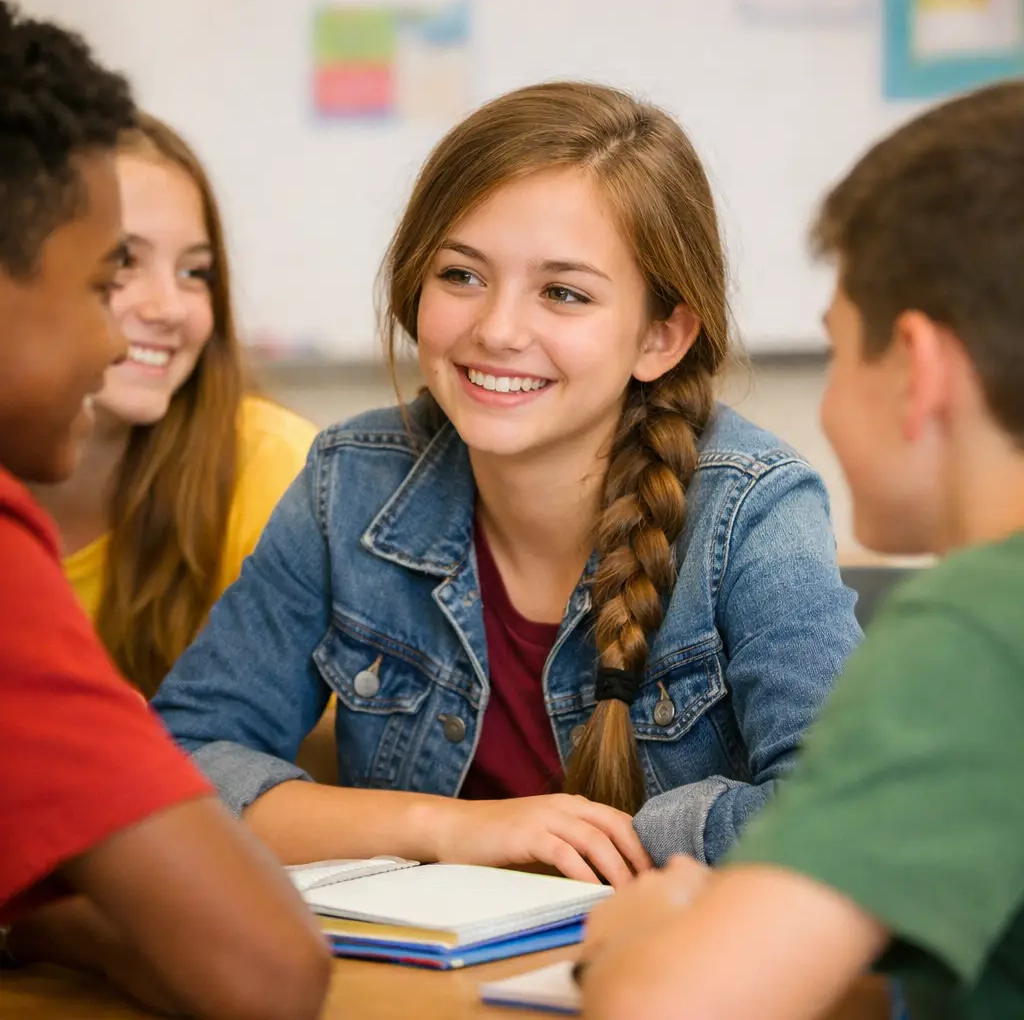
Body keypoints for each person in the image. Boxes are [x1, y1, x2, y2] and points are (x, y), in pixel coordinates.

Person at [153, 81, 860, 882]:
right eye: (461, 275)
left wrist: (613, 845)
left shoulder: (754, 509)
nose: (497, 329)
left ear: (661, 337)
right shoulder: (350, 480)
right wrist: (454, 828)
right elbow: (173, 767)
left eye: (563, 292)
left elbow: (847, 813)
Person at [578, 79, 1024, 1019]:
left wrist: (641, 940)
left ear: (917, 368)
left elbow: (666, 1011)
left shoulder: (978, 630)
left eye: (835, 352)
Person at [0, 3, 330, 1017]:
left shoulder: (267, 463)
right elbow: (267, 968)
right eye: (104, 278)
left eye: (195, 273)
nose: (122, 332)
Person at [33, 111, 318, 698]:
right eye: (122, 261)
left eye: (195, 272)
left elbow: (335, 741)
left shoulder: (278, 465)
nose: (169, 308)